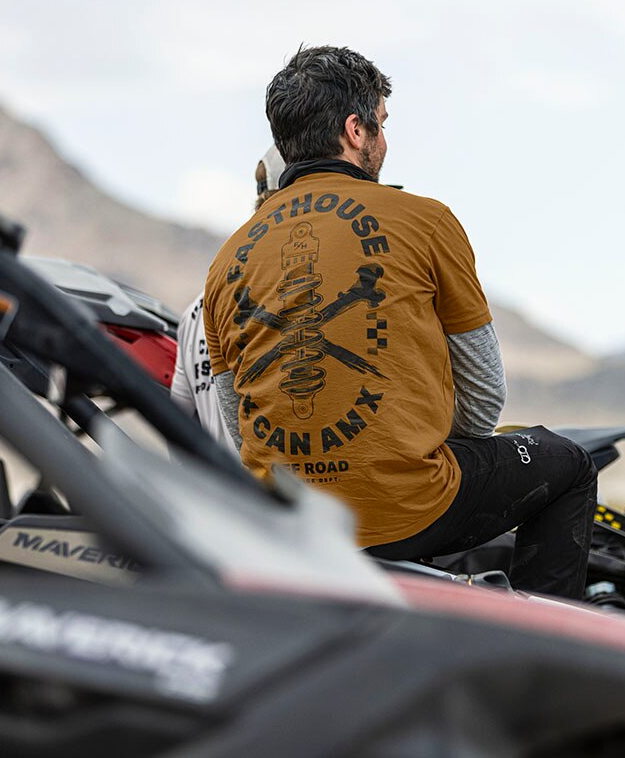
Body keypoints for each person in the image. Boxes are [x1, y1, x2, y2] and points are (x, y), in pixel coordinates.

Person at [203, 45, 597, 599]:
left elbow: (239, 421)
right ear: (355, 130)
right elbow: (484, 397)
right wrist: (408, 449)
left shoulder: (226, 260)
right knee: (570, 464)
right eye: (382, 124)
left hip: (288, 525)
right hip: (408, 511)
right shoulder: (426, 220)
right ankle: (540, 643)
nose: (384, 139)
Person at [171, 146, 286, 451]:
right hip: (285, 480)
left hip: (219, 481)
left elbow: (177, 427)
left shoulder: (197, 308)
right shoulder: (298, 293)